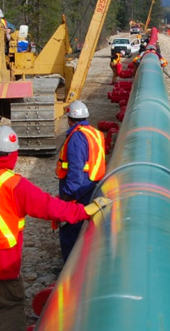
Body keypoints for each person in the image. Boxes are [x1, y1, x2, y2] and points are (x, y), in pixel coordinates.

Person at [0, 126, 110, 331]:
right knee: (10, 304)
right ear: (14, 155)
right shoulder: (16, 186)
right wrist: (85, 211)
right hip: (0, 260)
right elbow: (52, 208)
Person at [55, 100, 107, 262]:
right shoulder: (95, 133)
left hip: (78, 191)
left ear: (70, 119)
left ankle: (70, 270)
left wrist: (67, 197)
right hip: (92, 186)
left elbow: (75, 169)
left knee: (70, 231)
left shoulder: (77, 137)